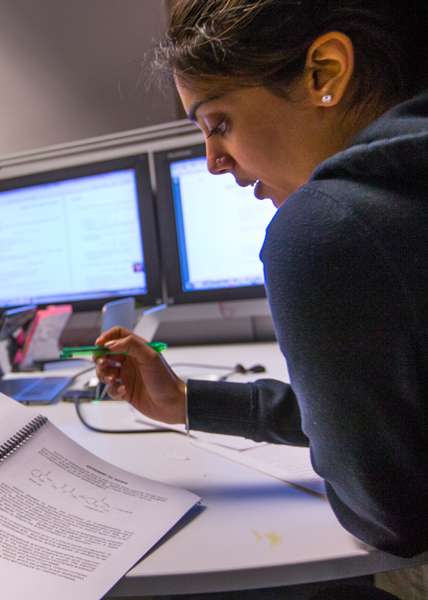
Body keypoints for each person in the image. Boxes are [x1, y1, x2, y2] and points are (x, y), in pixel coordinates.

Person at [97, 0, 428, 563]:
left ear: (325, 72)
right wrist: (186, 401)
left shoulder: (326, 227)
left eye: (218, 123)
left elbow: (390, 518)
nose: (213, 162)